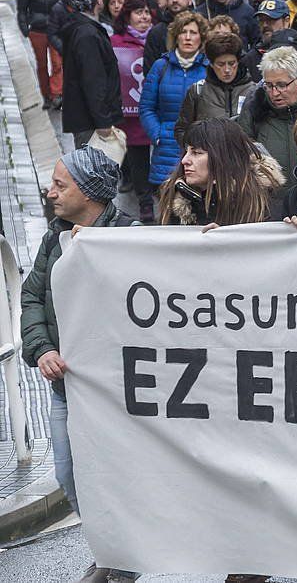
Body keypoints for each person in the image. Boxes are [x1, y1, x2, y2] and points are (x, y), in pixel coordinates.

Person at [21, 147, 138, 583]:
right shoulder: (55, 239)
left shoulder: (133, 238)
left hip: (118, 393)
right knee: (70, 474)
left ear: (89, 194)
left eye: (60, 185)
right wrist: (42, 348)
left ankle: (121, 560)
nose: (50, 192)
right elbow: (32, 295)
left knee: (122, 478)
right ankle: (112, 551)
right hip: (67, 388)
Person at [159, 118, 284, 228]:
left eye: (197, 152)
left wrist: (225, 239)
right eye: (186, 152)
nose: (184, 161)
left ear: (223, 158)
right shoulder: (175, 198)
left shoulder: (262, 202)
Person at [238, 46, 297, 187]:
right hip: (270, 203)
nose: (274, 93)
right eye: (269, 86)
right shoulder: (254, 112)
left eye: (282, 85)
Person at [140, 11, 210, 189]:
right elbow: (147, 107)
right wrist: (158, 134)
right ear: (175, 36)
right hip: (166, 148)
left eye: (193, 33)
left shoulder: (208, 68)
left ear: (201, 38)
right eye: (183, 32)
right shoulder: (160, 66)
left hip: (199, 149)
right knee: (167, 209)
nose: (187, 37)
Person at [60, 0, 123, 149]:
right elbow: (93, 81)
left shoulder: (83, 29)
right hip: (91, 123)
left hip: (90, 119)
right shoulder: (87, 35)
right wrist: (103, 122)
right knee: (94, 172)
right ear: (99, 0)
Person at [110, 0, 157, 221]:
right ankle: (145, 202)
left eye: (147, 12)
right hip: (130, 113)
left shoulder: (157, 38)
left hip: (157, 108)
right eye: (139, 12)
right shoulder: (115, 41)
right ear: (127, 16)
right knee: (138, 159)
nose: (144, 17)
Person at [176, 33, 256, 149]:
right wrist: (197, 150)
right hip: (207, 160)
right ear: (211, 64)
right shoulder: (198, 91)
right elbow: (182, 129)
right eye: (221, 64)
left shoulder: (253, 91)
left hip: (243, 160)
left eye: (232, 63)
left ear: (238, 62)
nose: (227, 70)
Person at [18, 0, 66, 109]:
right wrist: (25, 28)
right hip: (37, 30)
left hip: (56, 29)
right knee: (42, 64)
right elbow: (22, 9)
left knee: (57, 63)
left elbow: (66, 6)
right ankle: (46, 95)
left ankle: (56, 94)